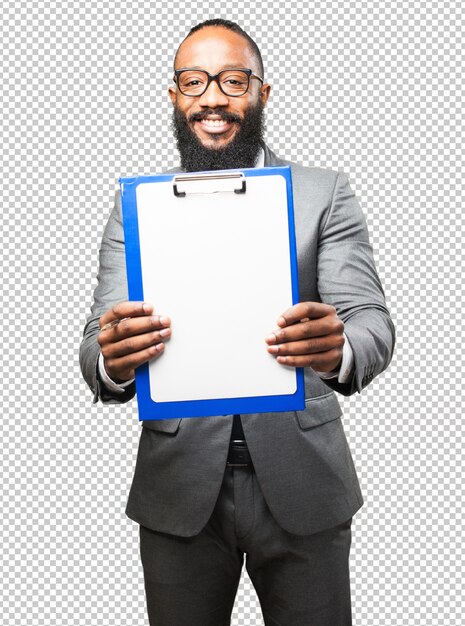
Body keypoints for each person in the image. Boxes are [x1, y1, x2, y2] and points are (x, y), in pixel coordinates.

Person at [80, 19, 395, 626]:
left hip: (306, 483)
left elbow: (371, 323)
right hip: (178, 491)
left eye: (232, 80)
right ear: (174, 96)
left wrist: (338, 349)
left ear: (261, 93)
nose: (213, 97)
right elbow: (96, 343)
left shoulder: (322, 192)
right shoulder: (136, 206)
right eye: (194, 82)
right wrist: (112, 358)